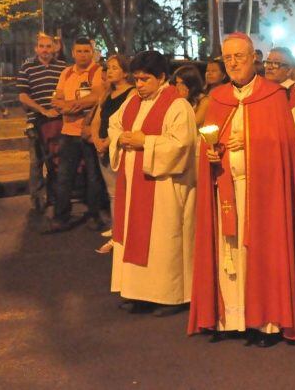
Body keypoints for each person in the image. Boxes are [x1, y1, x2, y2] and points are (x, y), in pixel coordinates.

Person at [188, 32, 295, 345]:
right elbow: (207, 140)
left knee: (261, 252)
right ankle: (231, 317)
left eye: (239, 57)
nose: (233, 63)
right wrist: (212, 153)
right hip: (225, 188)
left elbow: (284, 148)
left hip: (263, 194)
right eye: (227, 58)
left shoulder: (273, 97)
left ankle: (266, 322)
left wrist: (249, 142)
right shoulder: (218, 98)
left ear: (254, 58)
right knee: (229, 252)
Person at [108, 50, 197, 316]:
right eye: (136, 79)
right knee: (135, 234)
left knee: (162, 240)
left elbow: (183, 145)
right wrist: (121, 138)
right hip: (134, 184)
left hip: (165, 187)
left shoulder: (177, 105)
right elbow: (115, 125)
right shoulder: (132, 101)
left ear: (161, 77)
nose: (139, 85)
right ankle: (139, 293)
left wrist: (145, 141)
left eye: (145, 79)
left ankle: (171, 297)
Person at [45, 37, 105, 234]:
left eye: (87, 51)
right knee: (64, 176)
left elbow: (96, 96)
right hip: (68, 133)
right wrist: (67, 104)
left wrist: (68, 106)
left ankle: (96, 215)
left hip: (89, 133)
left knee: (94, 177)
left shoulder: (97, 72)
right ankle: (60, 217)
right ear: (73, 53)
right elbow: (57, 97)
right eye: (79, 51)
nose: (83, 55)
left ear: (93, 52)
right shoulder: (66, 72)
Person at [18, 33, 67, 213]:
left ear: (55, 48)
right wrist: (42, 110)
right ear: (36, 48)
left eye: (48, 46)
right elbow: (23, 95)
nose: (45, 50)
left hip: (58, 121)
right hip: (35, 122)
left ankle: (56, 196)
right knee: (36, 162)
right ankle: (37, 200)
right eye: (42, 46)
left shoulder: (63, 67)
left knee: (57, 161)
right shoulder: (27, 67)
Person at [91, 54, 134, 253]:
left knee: (122, 192)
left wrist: (108, 142)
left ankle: (123, 233)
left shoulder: (132, 94)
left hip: (118, 147)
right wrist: (96, 140)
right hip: (102, 146)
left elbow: (125, 123)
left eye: (115, 67)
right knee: (112, 193)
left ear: (125, 72)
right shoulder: (107, 93)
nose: (109, 71)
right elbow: (98, 119)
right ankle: (117, 229)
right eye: (108, 67)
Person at [264, 46, 295, 150]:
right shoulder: (266, 91)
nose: (269, 67)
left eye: (276, 63)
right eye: (268, 62)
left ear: (289, 70)